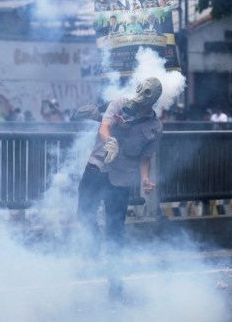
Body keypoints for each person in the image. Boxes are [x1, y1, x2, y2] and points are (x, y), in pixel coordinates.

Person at [76, 77, 163, 302]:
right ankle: (93, 246)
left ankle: (115, 287)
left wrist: (145, 179)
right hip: (97, 168)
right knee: (84, 215)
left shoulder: (155, 126)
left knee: (115, 234)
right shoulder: (118, 104)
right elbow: (105, 126)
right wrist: (110, 141)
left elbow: (145, 157)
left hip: (122, 179)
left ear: (151, 102)